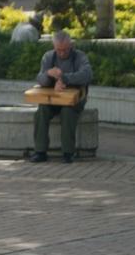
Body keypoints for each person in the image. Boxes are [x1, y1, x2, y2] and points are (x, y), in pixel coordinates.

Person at [30, 31, 92, 164]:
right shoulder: (48, 57)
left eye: (65, 50)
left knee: (67, 112)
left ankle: (68, 153)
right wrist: (49, 74)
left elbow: (87, 75)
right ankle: (40, 151)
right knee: (42, 110)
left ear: (71, 45)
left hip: (74, 99)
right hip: (53, 98)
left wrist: (64, 78)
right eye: (59, 50)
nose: (62, 53)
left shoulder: (80, 57)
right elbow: (40, 79)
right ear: (54, 47)